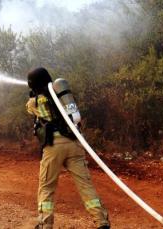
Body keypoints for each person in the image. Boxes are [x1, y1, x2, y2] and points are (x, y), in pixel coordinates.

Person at [26, 67, 110, 229]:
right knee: (86, 185)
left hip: (53, 147)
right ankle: (102, 222)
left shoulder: (34, 101)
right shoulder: (62, 96)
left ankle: (45, 224)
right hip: (74, 144)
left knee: (47, 187)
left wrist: (34, 95)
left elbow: (30, 109)